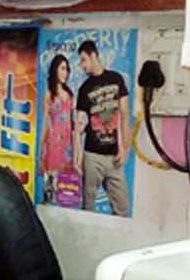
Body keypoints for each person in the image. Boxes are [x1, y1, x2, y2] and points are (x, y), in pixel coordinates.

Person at [73, 40, 133, 217]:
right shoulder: (84, 88)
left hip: (114, 155)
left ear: (93, 55)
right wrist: (77, 157)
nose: (82, 65)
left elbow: (124, 114)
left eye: (84, 60)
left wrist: (124, 148)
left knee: (122, 206)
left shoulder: (116, 79)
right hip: (92, 155)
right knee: (88, 206)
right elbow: (79, 124)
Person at [41, 54, 76, 200]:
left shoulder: (69, 94)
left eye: (67, 69)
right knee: (51, 179)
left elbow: (72, 121)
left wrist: (75, 145)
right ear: (55, 70)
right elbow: (45, 121)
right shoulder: (49, 94)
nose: (65, 73)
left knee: (66, 183)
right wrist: (41, 147)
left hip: (67, 143)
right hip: (53, 142)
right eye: (62, 68)